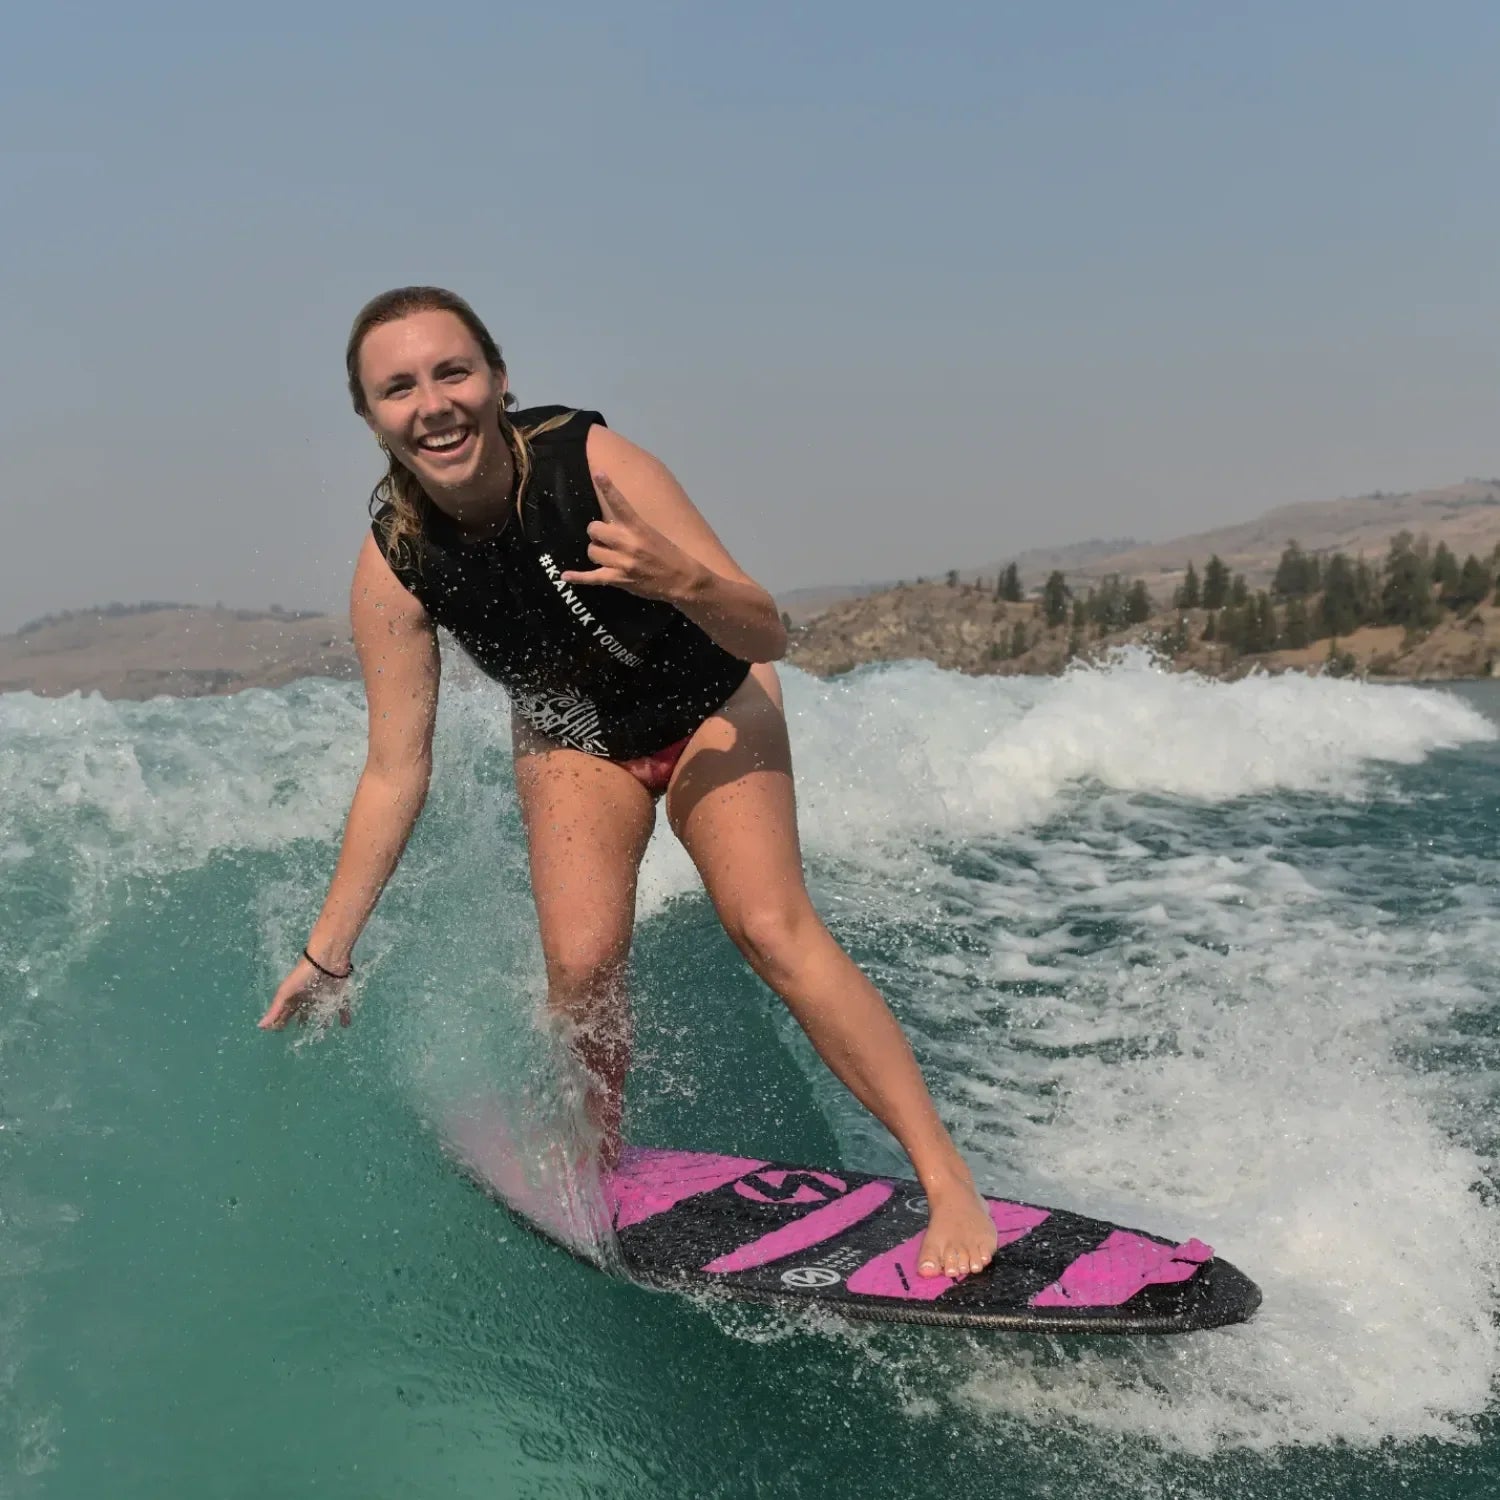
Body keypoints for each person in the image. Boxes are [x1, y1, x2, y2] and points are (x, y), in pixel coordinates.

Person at [258, 286, 998, 1281]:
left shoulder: (591, 464)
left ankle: (946, 1177)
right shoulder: (396, 561)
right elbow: (396, 769)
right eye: (398, 388)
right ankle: (595, 1156)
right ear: (370, 417)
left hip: (711, 706)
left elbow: (766, 629)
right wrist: (331, 952)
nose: (431, 403)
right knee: (581, 968)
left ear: (497, 378)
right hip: (575, 741)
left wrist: (680, 581)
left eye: (453, 372)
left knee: (769, 927)